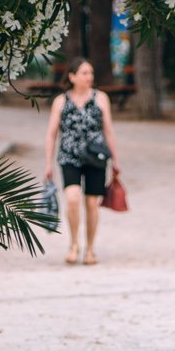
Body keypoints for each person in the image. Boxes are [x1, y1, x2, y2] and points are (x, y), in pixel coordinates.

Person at [44, 58, 121, 266]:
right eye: (85, 73)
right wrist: (48, 163)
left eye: (91, 73)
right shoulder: (61, 101)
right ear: (72, 76)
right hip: (69, 156)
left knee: (92, 204)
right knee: (72, 198)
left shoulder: (100, 98)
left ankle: (90, 248)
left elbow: (109, 130)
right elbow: (51, 134)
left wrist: (115, 160)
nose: (89, 77)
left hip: (96, 157)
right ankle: (74, 244)